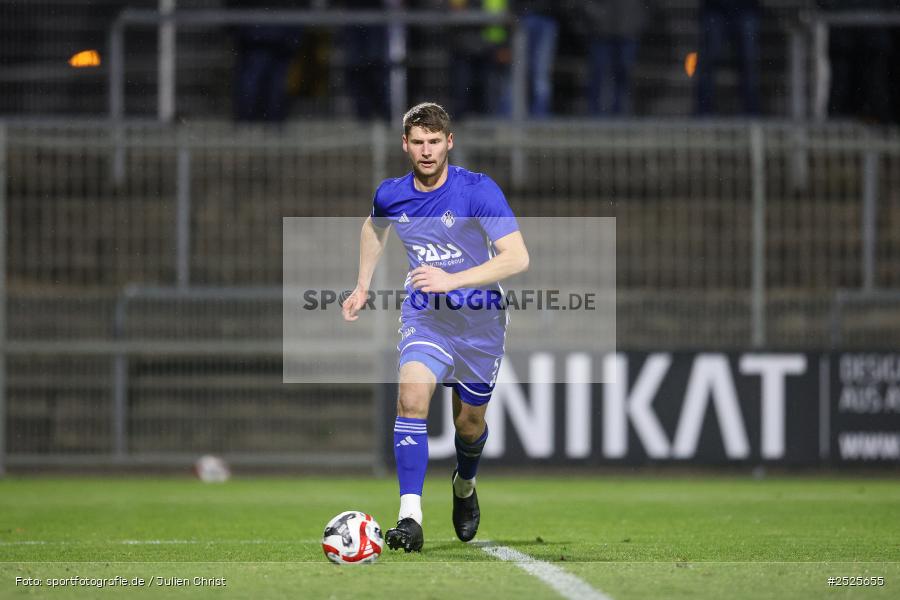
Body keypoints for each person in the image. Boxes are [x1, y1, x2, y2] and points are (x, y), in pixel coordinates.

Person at [342, 102, 529, 552]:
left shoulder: (477, 190)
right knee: (410, 399)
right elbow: (374, 228)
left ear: (450, 142)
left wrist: (453, 279)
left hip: (481, 321)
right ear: (405, 145)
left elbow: (517, 257)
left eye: (434, 142)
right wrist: (362, 284)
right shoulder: (391, 193)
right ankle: (410, 517)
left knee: (468, 425)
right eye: (417, 142)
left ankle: (464, 487)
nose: (426, 151)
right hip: (425, 315)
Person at [694, 0, 761, 116]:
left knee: (749, 61)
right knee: (708, 61)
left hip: (745, 8)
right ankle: (703, 111)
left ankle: (751, 111)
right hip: (715, 9)